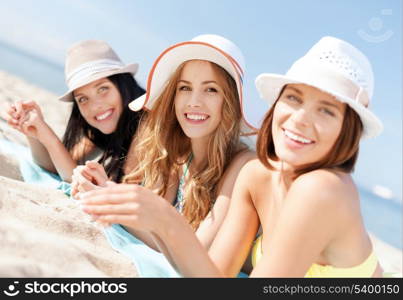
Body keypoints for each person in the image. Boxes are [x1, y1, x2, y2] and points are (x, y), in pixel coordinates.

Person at [82, 36, 384, 277]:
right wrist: (155, 217)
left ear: (348, 131)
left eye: (326, 110)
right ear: (276, 104)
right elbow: (214, 275)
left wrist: (166, 220)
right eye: (293, 98)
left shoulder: (324, 187)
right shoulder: (256, 176)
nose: (300, 119)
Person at [77, 34, 256, 276]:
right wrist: (105, 193)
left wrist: (155, 215)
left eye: (211, 90)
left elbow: (198, 253)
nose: (194, 102)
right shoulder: (180, 156)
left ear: (231, 103)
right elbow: (157, 237)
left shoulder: (243, 165)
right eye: (185, 88)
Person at [2, 40, 145, 185]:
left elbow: (121, 193)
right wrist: (35, 131)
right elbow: (58, 169)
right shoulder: (104, 127)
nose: (95, 106)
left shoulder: (148, 126)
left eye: (103, 89)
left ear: (124, 85)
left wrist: (49, 137)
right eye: (83, 99)